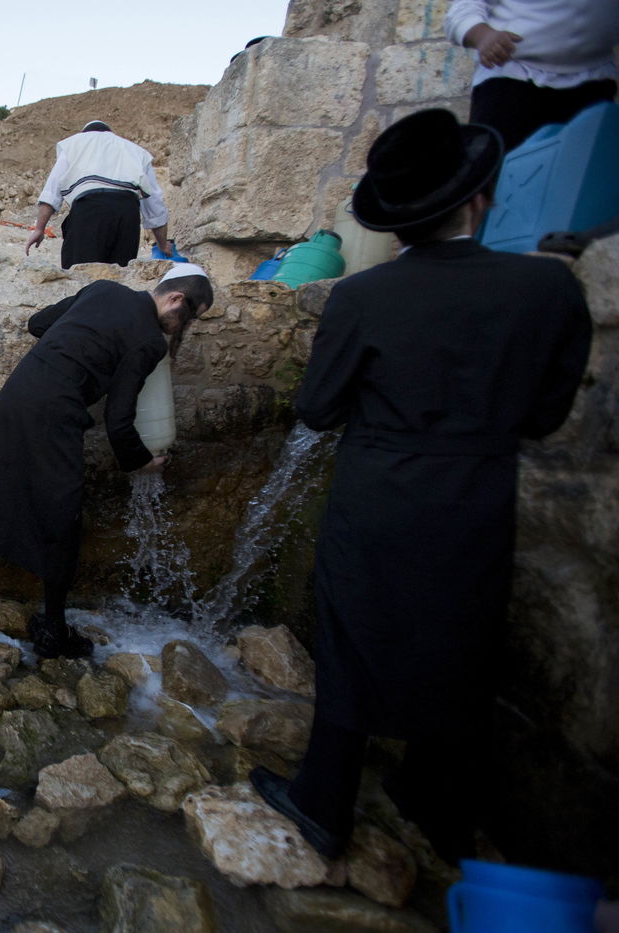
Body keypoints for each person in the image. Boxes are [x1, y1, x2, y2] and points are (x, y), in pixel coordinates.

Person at [249, 109, 592, 863]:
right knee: (463, 636)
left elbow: (316, 408)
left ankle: (323, 801)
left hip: (378, 491)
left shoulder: (364, 297)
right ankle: (435, 808)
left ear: (394, 221)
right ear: (479, 199)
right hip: (478, 493)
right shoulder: (547, 289)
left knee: (353, 632)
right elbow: (545, 414)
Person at [0, 265, 213, 657]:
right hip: (54, 417)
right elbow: (118, 419)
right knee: (62, 518)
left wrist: (75, 348)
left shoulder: (102, 289)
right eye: (191, 316)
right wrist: (141, 461)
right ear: (175, 299)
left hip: (14, 399)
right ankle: (52, 629)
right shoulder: (148, 342)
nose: (184, 326)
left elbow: (39, 323)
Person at [446, 0, 619, 151]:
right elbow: (464, 7)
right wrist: (483, 36)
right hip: (514, 80)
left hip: (593, 80)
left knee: (585, 179)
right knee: (506, 177)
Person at [25, 120, 173, 268]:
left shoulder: (74, 144)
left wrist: (39, 229)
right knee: (119, 279)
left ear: (84, 133)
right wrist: (162, 244)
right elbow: (155, 205)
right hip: (127, 215)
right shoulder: (135, 151)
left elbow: (52, 192)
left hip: (89, 212)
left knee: (82, 275)